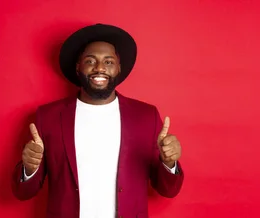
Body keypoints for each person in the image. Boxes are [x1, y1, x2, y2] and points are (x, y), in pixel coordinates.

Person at [11, 23, 185, 218]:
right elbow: (23, 193)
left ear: (119, 68)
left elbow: (168, 190)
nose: (100, 68)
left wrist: (169, 163)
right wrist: (29, 168)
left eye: (109, 62)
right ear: (78, 67)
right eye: (90, 61)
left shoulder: (146, 116)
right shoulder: (48, 116)